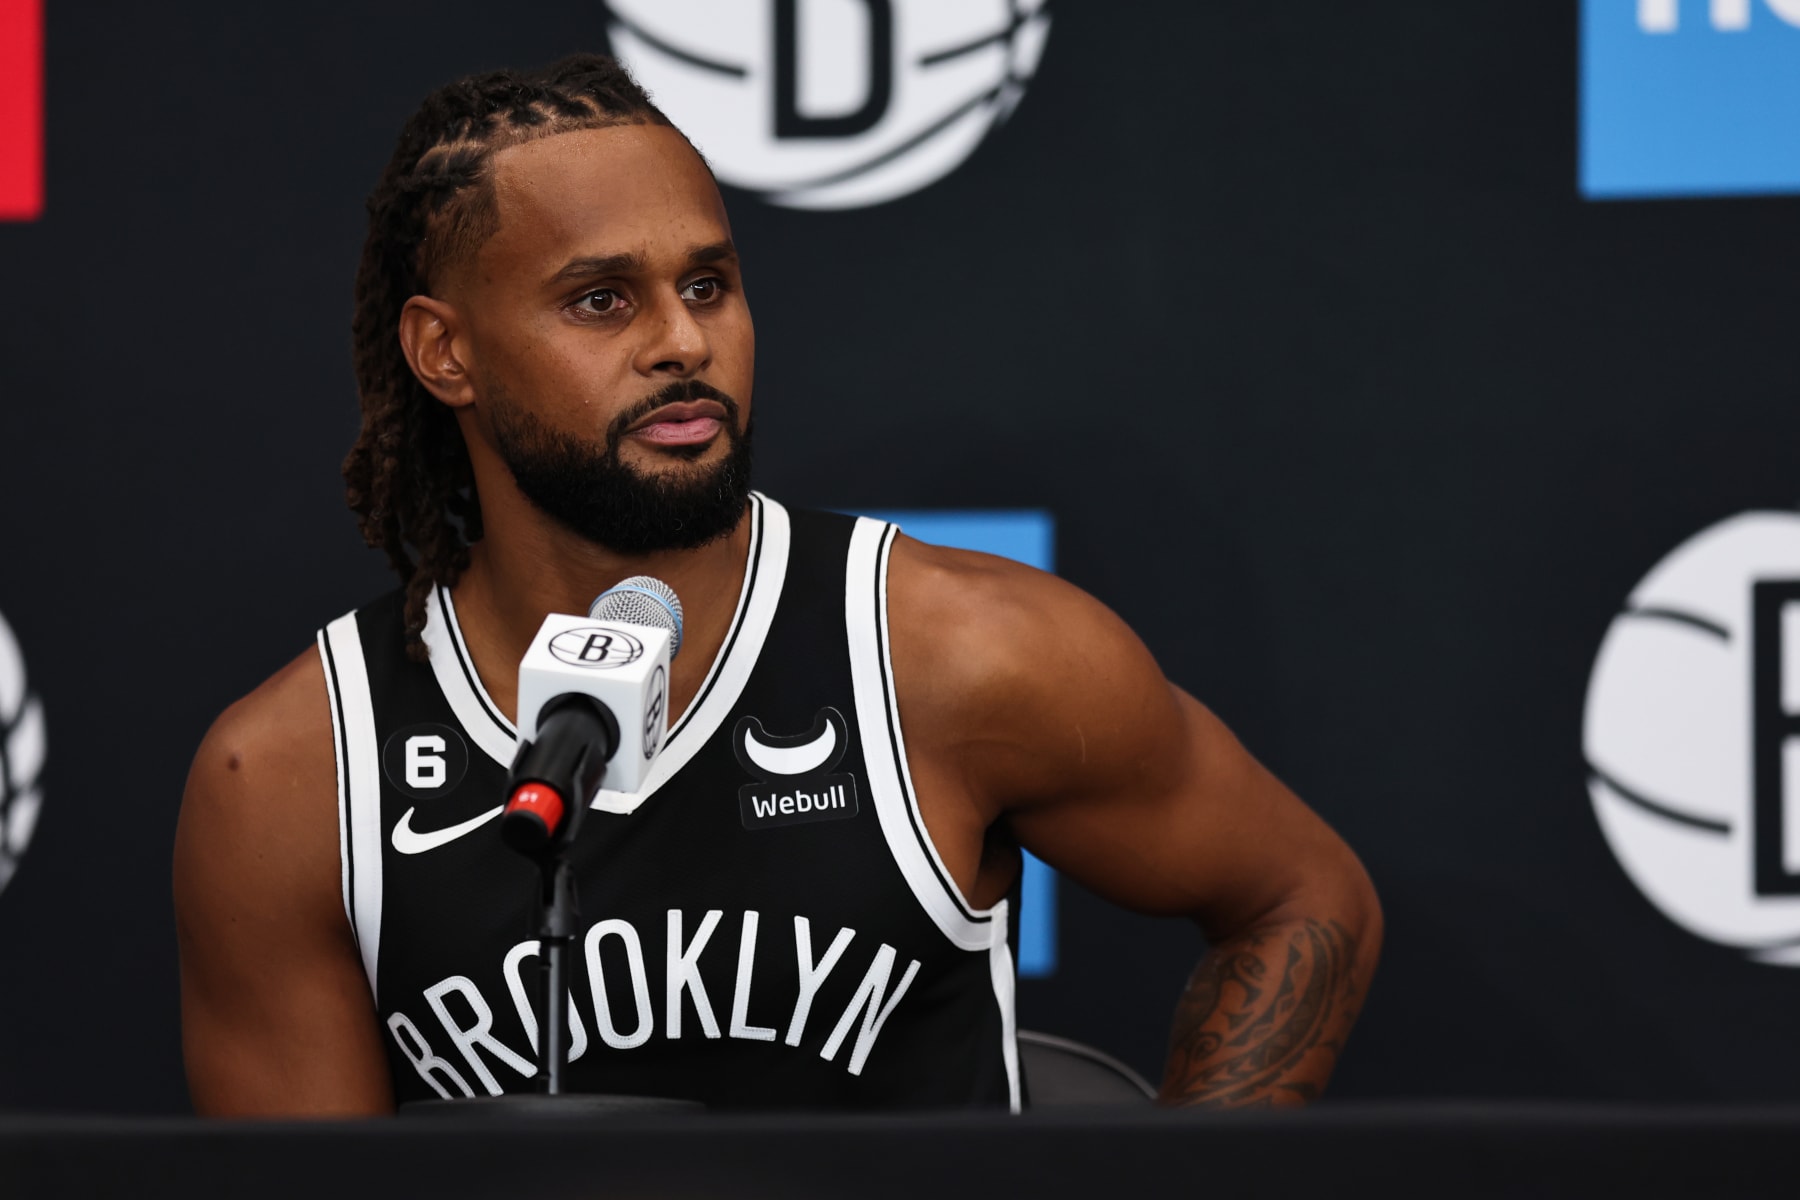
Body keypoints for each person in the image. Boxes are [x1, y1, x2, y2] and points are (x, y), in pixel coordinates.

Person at [173, 55, 1381, 1116]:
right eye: (602, 300)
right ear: (447, 353)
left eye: (707, 285)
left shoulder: (954, 657)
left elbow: (1303, 898)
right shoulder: (291, 783)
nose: (684, 342)